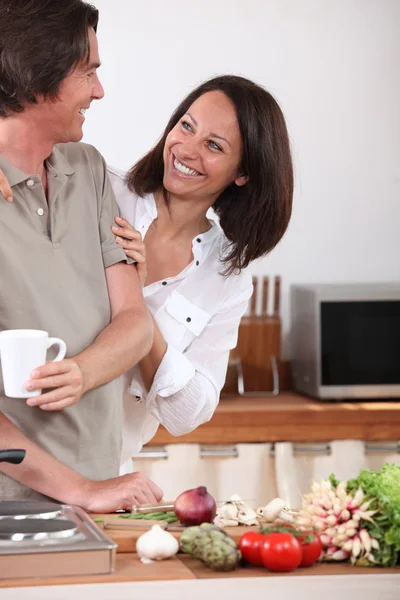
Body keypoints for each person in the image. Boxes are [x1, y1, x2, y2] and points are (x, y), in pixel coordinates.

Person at [2, 74, 293, 471]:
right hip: (23, 449)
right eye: (186, 126)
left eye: (213, 145)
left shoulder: (226, 277)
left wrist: (136, 306)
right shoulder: (101, 187)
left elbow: (188, 415)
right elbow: (24, 135)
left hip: (107, 472)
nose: (186, 149)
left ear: (243, 173)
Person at [0, 0, 163, 510]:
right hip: (14, 499)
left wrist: (83, 371)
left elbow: (135, 323)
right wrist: (78, 489)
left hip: (101, 485)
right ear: (36, 78)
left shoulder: (88, 169)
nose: (99, 89)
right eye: (88, 71)